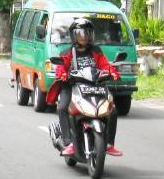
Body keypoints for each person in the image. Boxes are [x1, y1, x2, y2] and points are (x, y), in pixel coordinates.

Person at [45, 18, 122, 157]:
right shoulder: (67, 52)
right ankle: (69, 142)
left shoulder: (96, 51)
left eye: (87, 33)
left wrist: (112, 72)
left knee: (113, 110)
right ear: (74, 35)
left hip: (95, 85)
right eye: (80, 33)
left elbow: (105, 65)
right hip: (72, 85)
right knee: (63, 108)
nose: (84, 36)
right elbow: (61, 66)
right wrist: (62, 73)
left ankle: (109, 143)